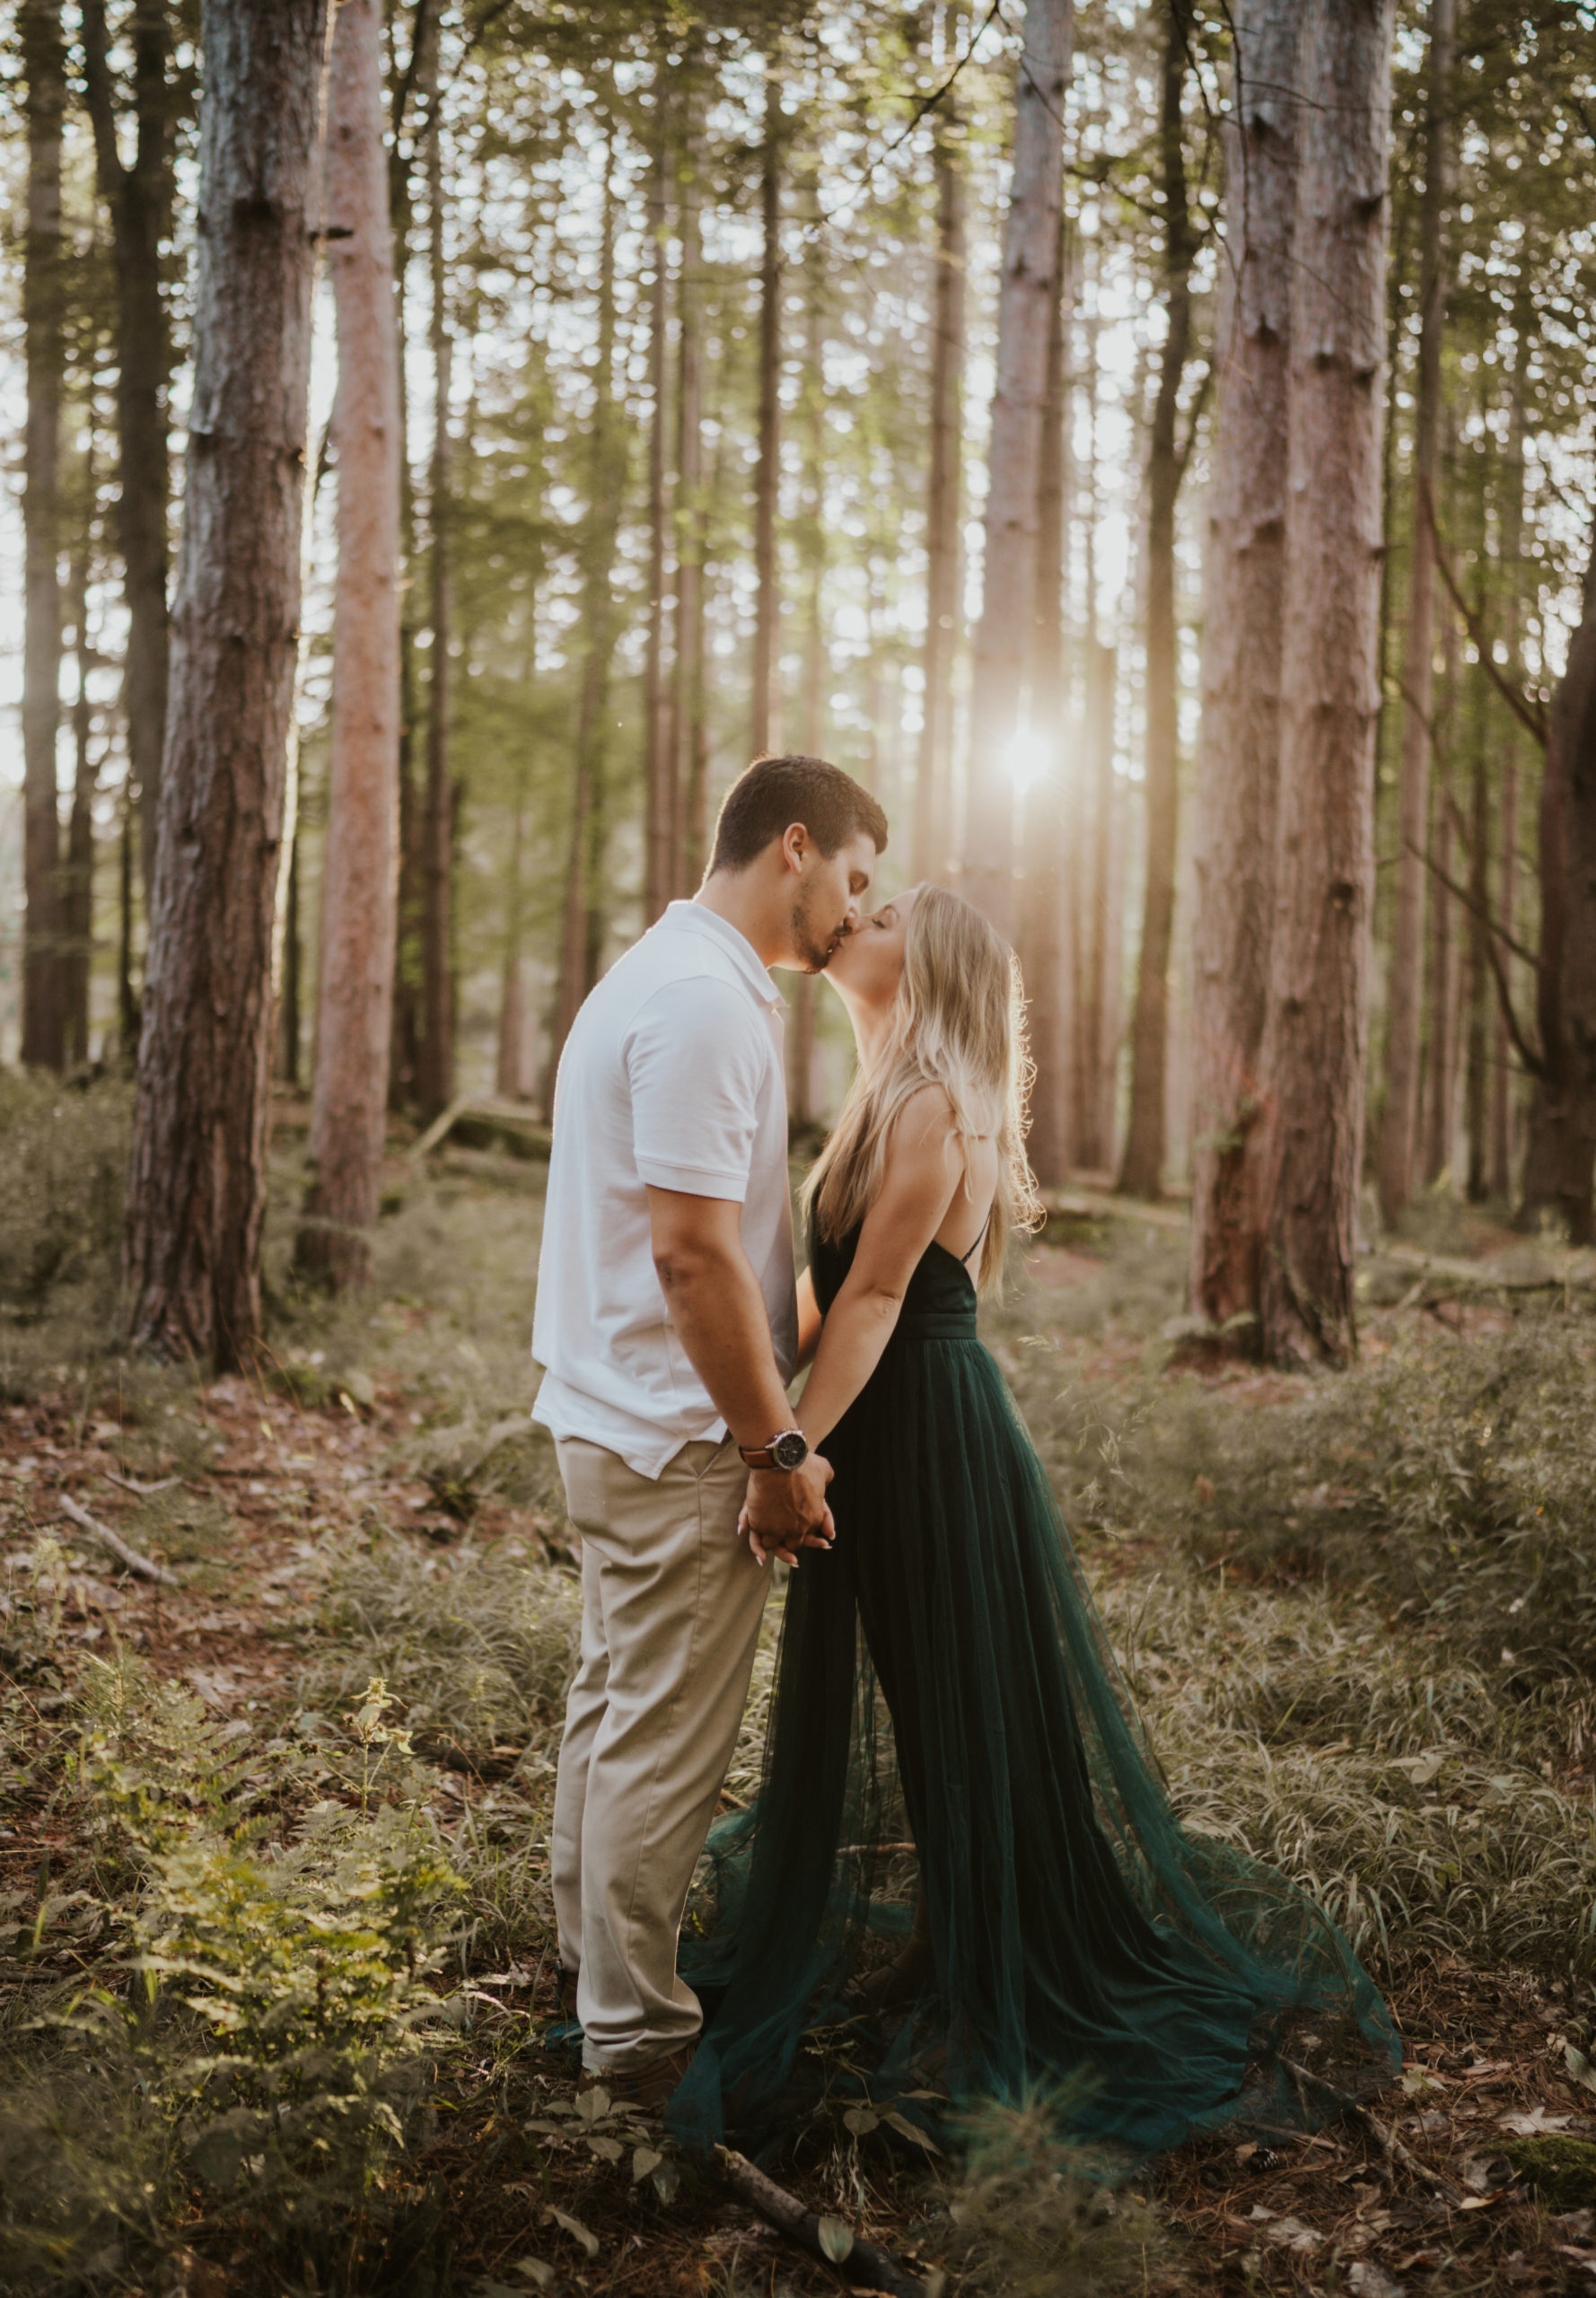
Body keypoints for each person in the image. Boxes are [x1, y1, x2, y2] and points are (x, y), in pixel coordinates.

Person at [673, 883, 1399, 2158]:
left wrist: (790, 1446)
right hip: (880, 1431)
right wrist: (723, 1387)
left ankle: (1000, 1975)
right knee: (919, 1687)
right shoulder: (880, 1095)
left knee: (965, 1703)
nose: (857, 916)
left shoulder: (934, 1105)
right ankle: (959, 1942)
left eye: (884, 912)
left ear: (931, 963)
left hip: (931, 1439)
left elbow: (884, 1294)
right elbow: (816, 1287)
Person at [531, 753, 888, 2109]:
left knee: (616, 1711)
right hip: (678, 1440)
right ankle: (635, 2049)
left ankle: (587, 1980)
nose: (853, 915)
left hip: (612, 1416)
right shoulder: (704, 1005)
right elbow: (691, 1258)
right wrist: (774, 1453)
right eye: (851, 879)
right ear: (793, 846)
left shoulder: (659, 975)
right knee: (663, 1746)